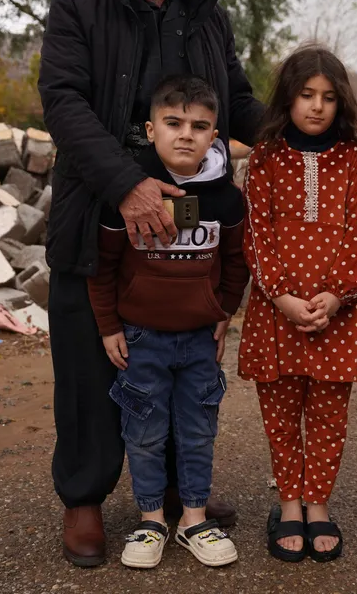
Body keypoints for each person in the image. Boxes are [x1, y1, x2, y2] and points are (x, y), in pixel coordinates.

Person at [38, 0, 263, 567]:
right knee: (89, 364)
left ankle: (171, 492)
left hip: (189, 224)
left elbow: (237, 98)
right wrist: (128, 184)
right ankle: (84, 497)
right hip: (98, 214)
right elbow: (64, 102)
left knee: (177, 355)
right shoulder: (78, 6)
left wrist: (304, 134)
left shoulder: (206, 12)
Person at [86, 76, 247, 568]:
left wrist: (223, 311)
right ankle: (151, 520)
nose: (185, 135)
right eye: (173, 123)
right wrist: (109, 326)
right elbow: (103, 266)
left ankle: (194, 519)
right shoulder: (130, 191)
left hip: (199, 339)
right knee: (144, 433)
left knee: (198, 431)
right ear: (151, 129)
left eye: (199, 126)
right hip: (141, 339)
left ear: (215, 134)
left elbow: (236, 262)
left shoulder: (226, 198)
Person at [238, 44, 357, 564]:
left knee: (328, 417)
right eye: (306, 94)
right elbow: (256, 234)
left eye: (328, 97)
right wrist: (282, 296)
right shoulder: (265, 157)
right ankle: (289, 505)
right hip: (277, 314)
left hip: (338, 315)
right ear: (287, 98)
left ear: (341, 103)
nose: (317, 106)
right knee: (280, 416)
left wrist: (337, 295)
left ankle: (318, 504)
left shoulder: (356, 159)